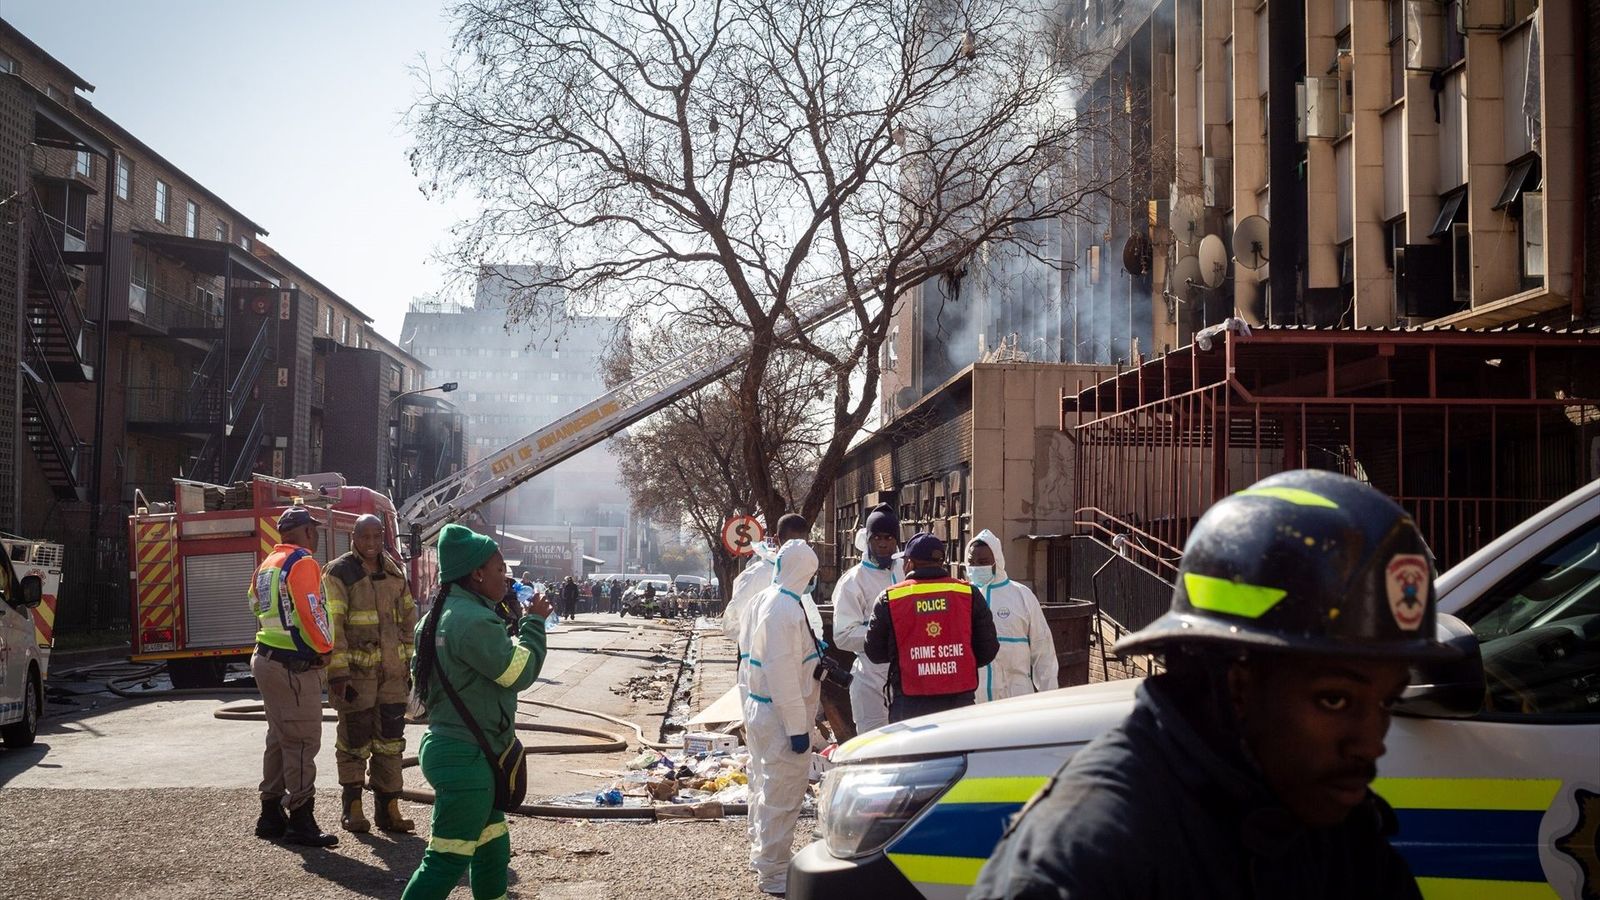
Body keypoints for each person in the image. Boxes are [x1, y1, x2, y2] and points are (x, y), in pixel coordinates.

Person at [971, 470, 1455, 900]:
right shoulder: (1088, 857)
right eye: (1336, 699)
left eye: (1387, 701)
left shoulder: (1338, 833)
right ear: (1237, 682)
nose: (1371, 743)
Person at [402, 523, 552, 900]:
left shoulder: (437, 618)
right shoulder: (472, 620)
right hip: (467, 759)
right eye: (500, 568)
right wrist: (534, 625)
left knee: (492, 848)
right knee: (445, 861)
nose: (506, 577)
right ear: (477, 573)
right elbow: (517, 673)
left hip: (458, 750)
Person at [323, 513, 419, 834]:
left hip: (392, 677)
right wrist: (338, 674)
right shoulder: (339, 572)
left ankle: (388, 809)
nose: (371, 543)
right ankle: (352, 808)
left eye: (377, 536)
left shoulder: (393, 572)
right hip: (356, 678)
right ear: (354, 537)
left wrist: (407, 666)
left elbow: (408, 620)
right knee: (354, 740)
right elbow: (333, 627)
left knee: (391, 742)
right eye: (365, 537)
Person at [248, 505, 338, 847]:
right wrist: (325, 648)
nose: (315, 535)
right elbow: (311, 610)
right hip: (292, 666)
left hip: (266, 658)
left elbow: (254, 604)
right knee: (301, 741)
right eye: (312, 529)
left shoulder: (267, 565)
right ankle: (301, 819)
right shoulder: (302, 562)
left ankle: (270, 815)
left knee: (278, 737)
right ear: (305, 531)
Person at [737, 539, 823, 897]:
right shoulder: (785, 608)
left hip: (760, 709)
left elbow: (747, 659)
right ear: (807, 572)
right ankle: (773, 872)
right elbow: (783, 674)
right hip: (780, 715)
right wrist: (797, 728)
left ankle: (762, 854)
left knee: (762, 784)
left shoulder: (764, 599)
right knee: (782, 794)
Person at [863, 532, 998, 723]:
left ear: (910, 564)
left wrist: (907, 656)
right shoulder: (969, 593)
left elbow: (874, 652)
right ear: (941, 562)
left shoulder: (890, 598)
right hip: (960, 704)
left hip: (910, 706)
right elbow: (988, 649)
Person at [831, 503, 902, 736]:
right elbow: (843, 636)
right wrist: (884, 636)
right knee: (874, 745)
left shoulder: (905, 571)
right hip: (870, 678)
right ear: (867, 539)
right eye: (876, 537)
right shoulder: (854, 581)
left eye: (889, 537)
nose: (883, 543)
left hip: (906, 678)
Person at [966, 528, 1058, 702]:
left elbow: (1043, 651)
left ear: (997, 561)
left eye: (983, 562)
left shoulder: (1022, 596)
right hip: (976, 701)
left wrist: (1049, 698)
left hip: (1016, 699)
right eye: (972, 562)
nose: (976, 567)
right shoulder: (963, 598)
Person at [722, 514, 823, 644]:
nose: (795, 549)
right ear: (776, 540)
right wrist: (761, 644)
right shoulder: (757, 575)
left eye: (800, 545)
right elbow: (732, 623)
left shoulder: (801, 573)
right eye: (790, 543)